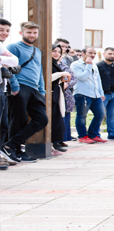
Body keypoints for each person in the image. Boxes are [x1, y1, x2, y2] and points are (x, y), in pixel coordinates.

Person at [4, 22, 48, 163]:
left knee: (42, 119)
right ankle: (17, 151)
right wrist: (15, 86)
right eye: (29, 32)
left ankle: (10, 145)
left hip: (35, 90)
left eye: (34, 32)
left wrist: (42, 90)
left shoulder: (37, 51)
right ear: (21, 33)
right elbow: (9, 68)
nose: (32, 35)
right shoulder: (13, 47)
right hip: (21, 86)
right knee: (18, 120)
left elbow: (39, 71)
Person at [71, 47, 107, 144]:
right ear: (83, 53)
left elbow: (98, 80)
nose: (93, 55)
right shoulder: (76, 65)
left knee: (100, 114)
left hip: (95, 94)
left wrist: (101, 93)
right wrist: (88, 66)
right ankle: (82, 136)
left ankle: (93, 134)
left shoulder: (94, 65)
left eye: (94, 53)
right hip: (82, 94)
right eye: (90, 53)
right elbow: (82, 77)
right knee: (82, 116)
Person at [0, 19, 20, 166]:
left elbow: (14, 61)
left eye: (7, 30)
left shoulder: (1, 45)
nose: (5, 33)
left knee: (3, 125)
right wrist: (4, 60)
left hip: (2, 87)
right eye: (1, 29)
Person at [97, 47, 114, 140]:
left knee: (112, 115)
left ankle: (111, 134)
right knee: (100, 114)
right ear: (104, 54)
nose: (112, 56)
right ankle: (96, 134)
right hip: (104, 94)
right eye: (110, 54)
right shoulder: (99, 66)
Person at [50, 44, 72, 154]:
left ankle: (56, 143)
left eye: (58, 52)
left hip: (58, 91)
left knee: (58, 117)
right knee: (53, 118)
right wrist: (61, 74)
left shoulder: (55, 63)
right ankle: (52, 144)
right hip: (51, 93)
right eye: (54, 51)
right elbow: (47, 77)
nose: (56, 53)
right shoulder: (47, 63)